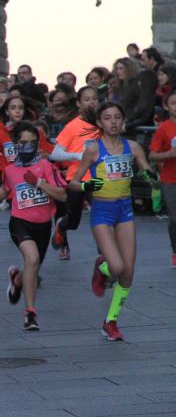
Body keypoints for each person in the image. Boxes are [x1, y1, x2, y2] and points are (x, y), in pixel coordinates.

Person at [70, 102, 158, 341]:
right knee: (116, 267)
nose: (113, 122)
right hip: (102, 210)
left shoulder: (133, 147)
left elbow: (145, 171)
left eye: (117, 117)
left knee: (128, 272)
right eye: (107, 118)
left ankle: (111, 322)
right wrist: (89, 185)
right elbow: (73, 182)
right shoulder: (93, 150)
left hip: (125, 209)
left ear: (123, 120)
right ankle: (102, 268)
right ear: (100, 122)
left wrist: (152, 178)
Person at [0, 121, 66, 330]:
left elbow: (63, 194)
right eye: (23, 143)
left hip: (43, 225)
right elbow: (6, 188)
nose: (27, 147)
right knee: (31, 259)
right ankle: (30, 313)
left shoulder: (46, 166)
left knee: (33, 265)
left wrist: (39, 183)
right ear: (15, 144)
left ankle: (17, 278)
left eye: (32, 142)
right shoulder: (11, 169)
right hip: (20, 223)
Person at [50, 86, 100, 261]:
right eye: (86, 99)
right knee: (73, 221)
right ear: (79, 103)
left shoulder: (104, 122)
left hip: (99, 178)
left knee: (101, 216)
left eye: (94, 98)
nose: (91, 102)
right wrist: (78, 155)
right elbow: (55, 153)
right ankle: (61, 226)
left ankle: (105, 254)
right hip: (76, 178)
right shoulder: (73, 126)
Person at [149, 90, 176, 268]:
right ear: (167, 106)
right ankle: (175, 250)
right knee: (174, 219)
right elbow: (152, 154)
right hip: (170, 179)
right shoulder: (164, 128)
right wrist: (169, 154)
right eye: (174, 103)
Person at [129, 47, 162, 131]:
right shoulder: (148, 73)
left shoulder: (162, 72)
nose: (142, 63)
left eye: (144, 60)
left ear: (152, 59)